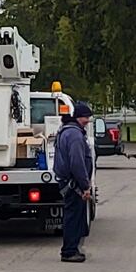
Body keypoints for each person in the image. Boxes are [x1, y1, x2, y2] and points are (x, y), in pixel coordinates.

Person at [53, 99, 94, 263]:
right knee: (73, 218)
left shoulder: (66, 131)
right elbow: (77, 162)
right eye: (87, 118)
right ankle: (69, 251)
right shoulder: (75, 135)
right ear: (80, 117)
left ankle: (72, 249)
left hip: (68, 182)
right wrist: (85, 186)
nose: (88, 121)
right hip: (73, 184)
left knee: (73, 216)